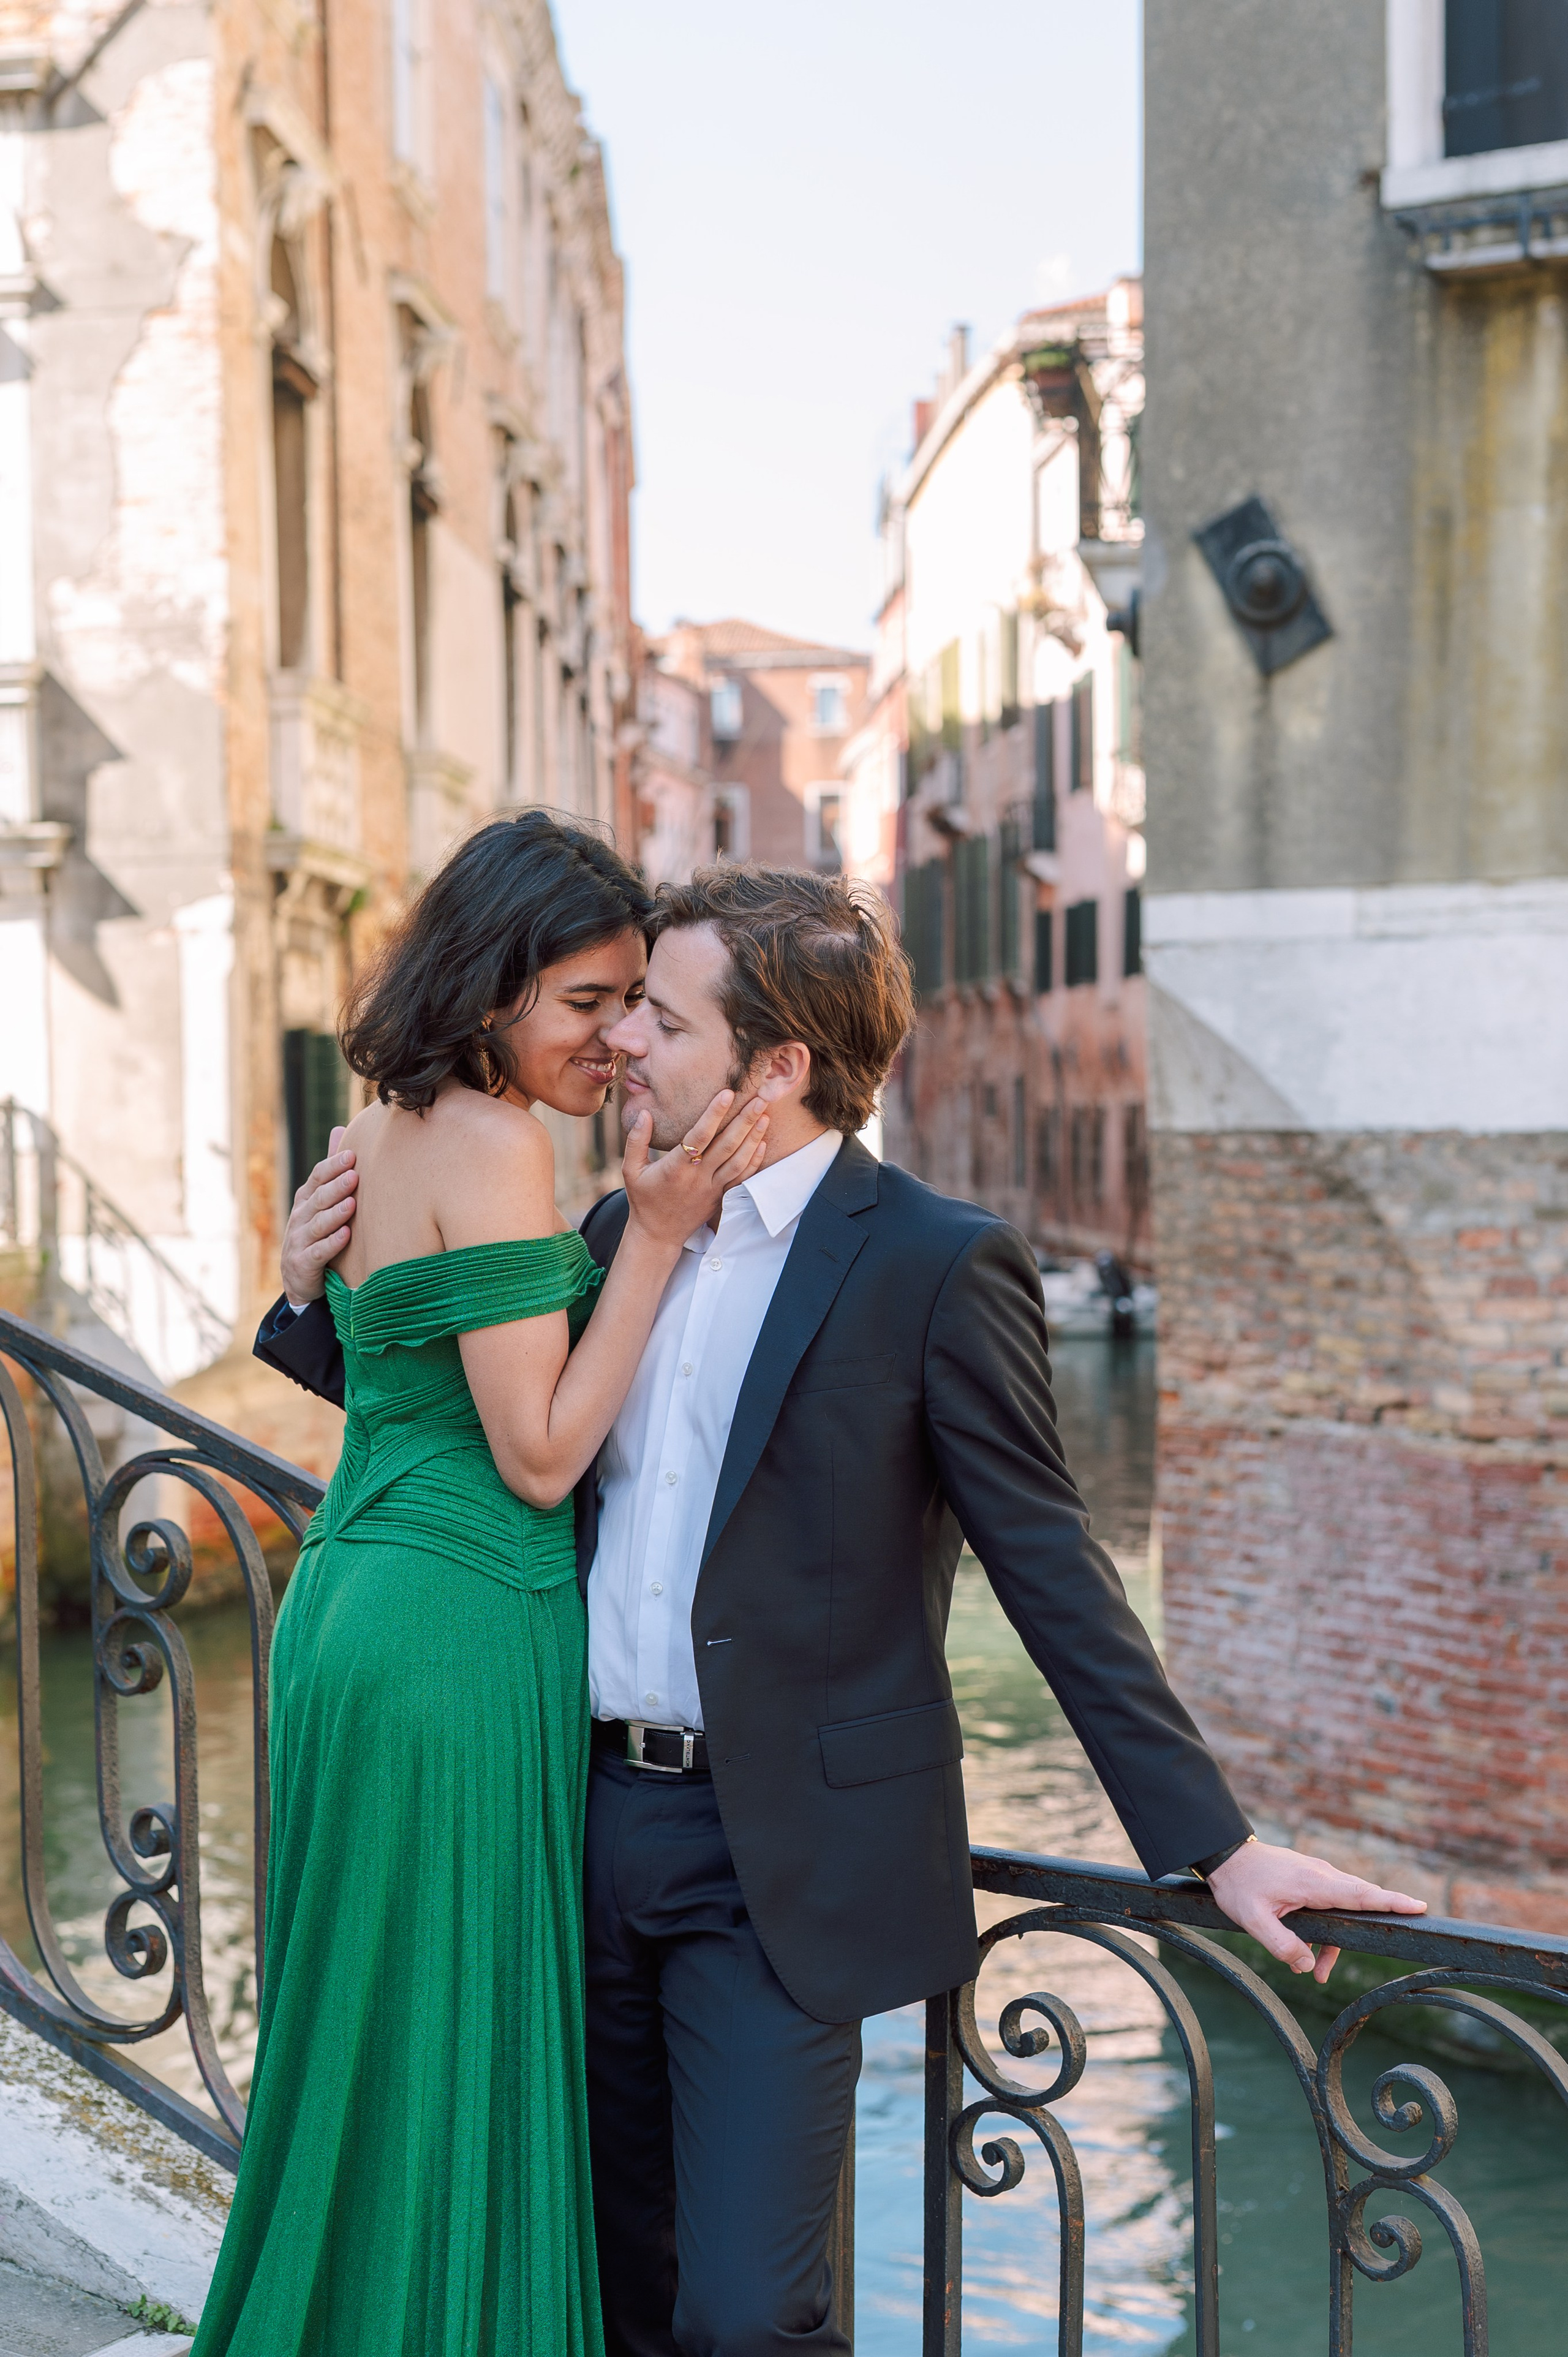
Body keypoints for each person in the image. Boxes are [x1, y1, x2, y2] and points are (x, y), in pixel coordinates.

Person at [262, 863, 1425, 2357]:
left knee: (746, 2314)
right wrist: (310, 1306)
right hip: (566, 1812)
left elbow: (1051, 1567)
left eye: (659, 1020)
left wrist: (1212, 1841)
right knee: (601, 2284)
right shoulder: (618, 1238)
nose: (621, 1045)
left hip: (772, 1863)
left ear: (778, 1065)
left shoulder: (934, 1267)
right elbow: (478, 1450)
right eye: (611, 1009)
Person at [195, 812, 767, 2357]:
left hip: (357, 1604)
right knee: (446, 2019)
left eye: (634, 1003)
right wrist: (651, 1238)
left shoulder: (381, 1128)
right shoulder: (504, 1144)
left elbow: (406, 1385)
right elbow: (534, 1455)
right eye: (584, 1003)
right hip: (456, 1629)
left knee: (367, 2019)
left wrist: (297, 1293)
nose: (613, 1038)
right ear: (493, 982)